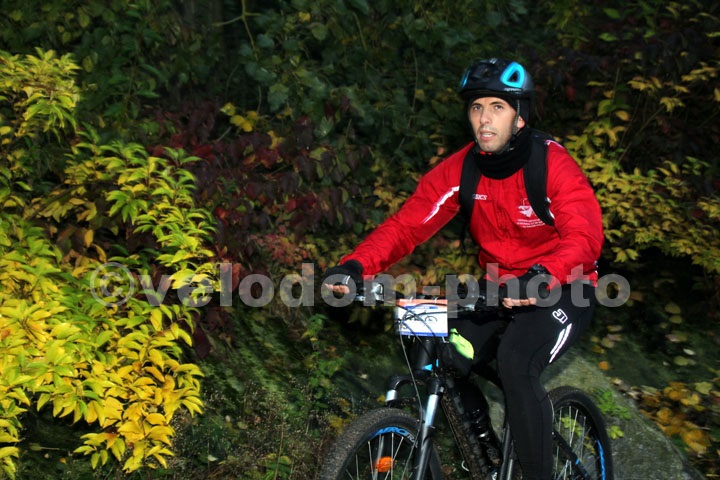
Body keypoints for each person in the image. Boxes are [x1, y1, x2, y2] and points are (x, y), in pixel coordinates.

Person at [322, 58, 604, 480]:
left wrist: (539, 277)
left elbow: (584, 237)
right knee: (441, 351)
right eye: (476, 107)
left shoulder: (550, 164)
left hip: (564, 287)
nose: (484, 118)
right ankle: (487, 458)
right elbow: (406, 225)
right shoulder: (462, 169)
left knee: (515, 362)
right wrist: (355, 265)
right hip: (496, 291)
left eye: (497, 107)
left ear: (520, 117)